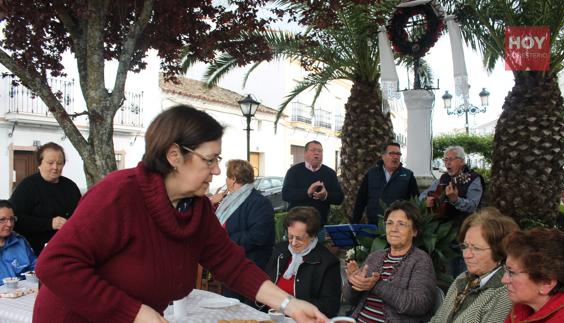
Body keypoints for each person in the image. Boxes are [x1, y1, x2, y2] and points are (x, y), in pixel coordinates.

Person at [33, 105, 327, 323]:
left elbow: (232, 265)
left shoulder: (195, 207)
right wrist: (135, 312)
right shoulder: (119, 195)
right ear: (174, 156)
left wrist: (289, 304)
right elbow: (54, 265)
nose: (215, 171)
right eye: (209, 160)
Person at [343, 200, 437, 322]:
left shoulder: (421, 260)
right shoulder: (375, 256)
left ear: (414, 231)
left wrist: (376, 285)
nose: (394, 229)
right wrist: (354, 283)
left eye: (401, 224)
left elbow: (419, 304)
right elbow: (350, 299)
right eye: (390, 223)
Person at [430, 207, 519, 323]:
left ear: (499, 251)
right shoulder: (462, 278)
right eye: (465, 246)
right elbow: (437, 319)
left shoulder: (504, 292)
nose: (466, 255)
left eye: (476, 249)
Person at [264, 206, 342, 318]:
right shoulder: (280, 250)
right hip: (270, 314)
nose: (293, 243)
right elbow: (265, 281)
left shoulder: (328, 262)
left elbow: (330, 307)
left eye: (299, 238)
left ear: (312, 236)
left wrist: (288, 305)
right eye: (290, 236)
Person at [217, 159, 275, 304]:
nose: (226, 180)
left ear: (234, 179)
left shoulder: (259, 202)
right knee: (231, 309)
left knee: (246, 312)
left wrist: (225, 242)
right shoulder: (230, 199)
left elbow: (258, 236)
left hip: (249, 266)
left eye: (227, 176)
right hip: (231, 264)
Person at [420, 146, 483, 276]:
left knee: (465, 270)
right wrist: (425, 200)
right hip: (445, 234)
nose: (447, 163)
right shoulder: (443, 179)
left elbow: (472, 206)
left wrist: (455, 200)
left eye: (451, 159)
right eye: (445, 159)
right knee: (449, 272)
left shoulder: (474, 179)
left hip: (465, 232)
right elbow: (423, 195)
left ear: (461, 161)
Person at [9, 142, 81, 256]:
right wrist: (49, 223)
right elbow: (16, 220)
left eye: (59, 163)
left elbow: (81, 215)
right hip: (36, 253)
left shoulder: (70, 186)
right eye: (50, 163)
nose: (55, 167)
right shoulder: (27, 186)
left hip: (68, 248)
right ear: (39, 163)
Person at [502, 228, 564, 323]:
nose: (503, 280)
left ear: (546, 283)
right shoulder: (523, 307)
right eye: (506, 270)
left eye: (512, 273)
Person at [352, 143, 419, 224]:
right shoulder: (371, 174)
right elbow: (361, 200)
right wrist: (355, 223)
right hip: (374, 225)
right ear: (383, 156)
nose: (395, 156)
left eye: (398, 154)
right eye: (392, 153)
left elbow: (415, 201)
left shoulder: (408, 175)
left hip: (398, 224)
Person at [282, 140, 344, 229]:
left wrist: (325, 196)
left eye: (320, 151)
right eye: (313, 150)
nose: (317, 153)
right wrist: (307, 192)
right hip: (296, 224)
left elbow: (339, 198)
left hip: (319, 225)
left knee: (318, 243)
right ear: (305, 153)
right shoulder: (294, 171)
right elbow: (286, 195)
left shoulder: (330, 173)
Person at [0, 200, 36, 283]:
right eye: (2, 219)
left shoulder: (20, 242)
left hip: (24, 293)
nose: (9, 224)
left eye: (12, 219)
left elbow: (35, 268)